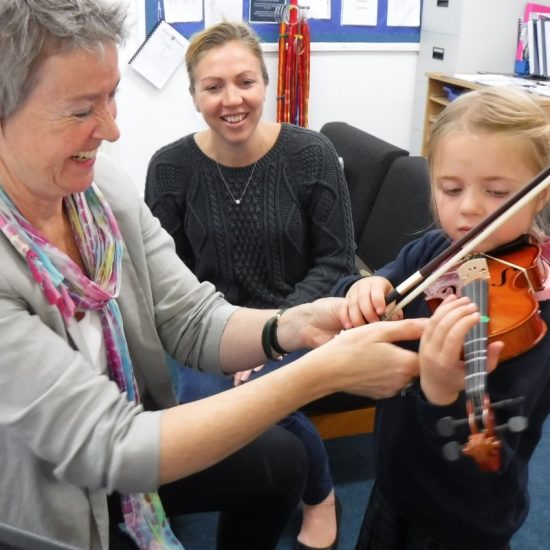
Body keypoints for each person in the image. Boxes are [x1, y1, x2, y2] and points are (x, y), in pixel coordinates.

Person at [0, 2, 426, 550]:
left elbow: (190, 315)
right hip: (55, 495)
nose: (111, 128)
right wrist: (319, 372)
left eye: (111, 96)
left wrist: (292, 326)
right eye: (83, 109)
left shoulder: (102, 189)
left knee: (282, 463)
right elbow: (108, 446)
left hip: (132, 429)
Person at [144, 21, 356, 549]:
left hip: (303, 317)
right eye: (213, 87)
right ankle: (280, 494)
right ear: (194, 96)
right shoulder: (169, 168)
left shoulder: (311, 154)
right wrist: (231, 333)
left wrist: (276, 331)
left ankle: (318, 493)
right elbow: (169, 274)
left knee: (258, 392)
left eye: (245, 81)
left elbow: (336, 261)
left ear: (266, 84)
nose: (231, 99)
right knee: (209, 402)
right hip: (209, 327)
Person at [332, 87, 550, 550]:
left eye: (497, 192)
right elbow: (384, 286)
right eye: (451, 189)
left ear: (538, 197)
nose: (468, 207)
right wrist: (362, 288)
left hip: (464, 518)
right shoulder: (433, 250)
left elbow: (489, 453)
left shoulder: (535, 314)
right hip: (396, 482)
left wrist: (443, 393)